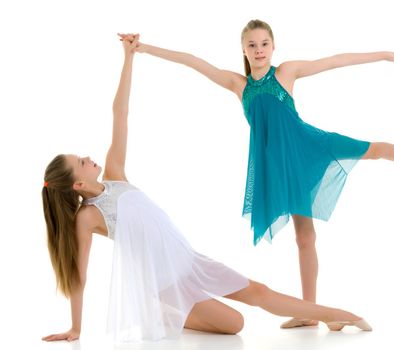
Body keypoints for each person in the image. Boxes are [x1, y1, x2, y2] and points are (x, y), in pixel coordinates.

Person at [41, 34, 371, 343]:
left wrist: (129, 58)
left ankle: (338, 315)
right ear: (78, 184)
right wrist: (75, 327)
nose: (87, 157)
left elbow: (120, 113)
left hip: (190, 260)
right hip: (168, 282)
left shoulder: (115, 173)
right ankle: (161, 310)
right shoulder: (87, 216)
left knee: (259, 294)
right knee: (235, 325)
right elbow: (78, 275)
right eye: (80, 161)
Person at [131, 20, 394, 328]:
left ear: (273, 47)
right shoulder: (239, 85)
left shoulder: (286, 72)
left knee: (373, 149)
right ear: (243, 50)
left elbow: (335, 61)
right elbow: (193, 62)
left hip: (308, 147)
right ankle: (310, 313)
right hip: (280, 167)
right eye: (252, 45)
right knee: (304, 238)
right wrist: (144, 49)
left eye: (264, 44)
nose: (259, 49)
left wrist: (387, 55)